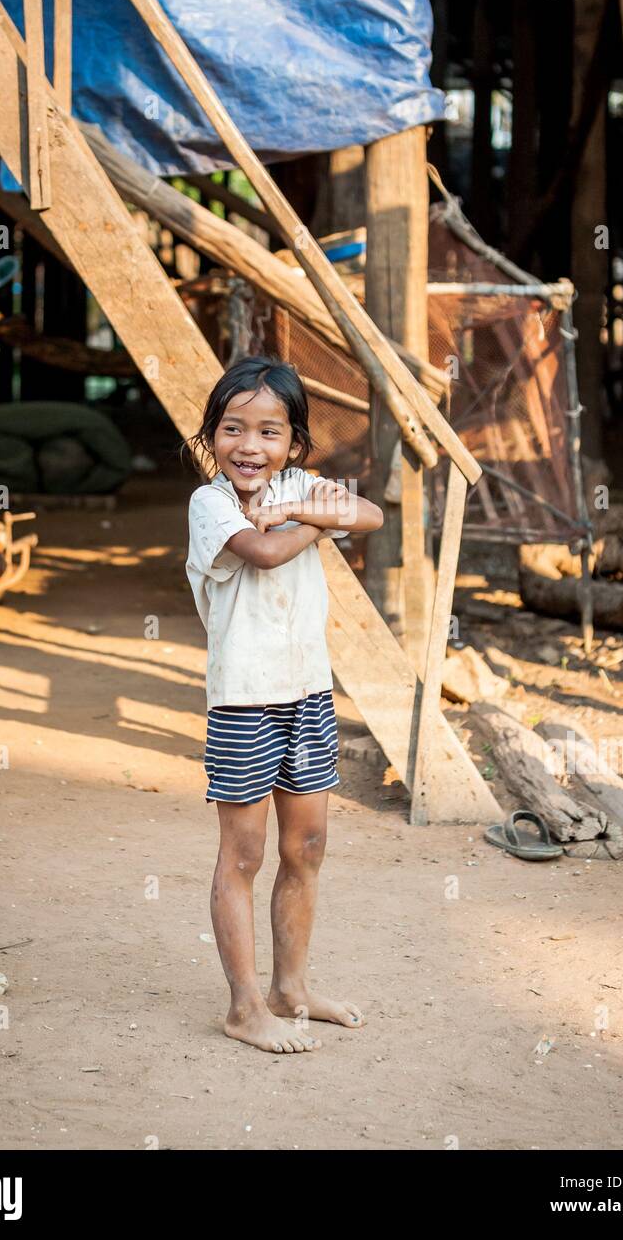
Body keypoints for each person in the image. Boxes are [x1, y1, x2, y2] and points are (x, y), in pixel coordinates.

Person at [184, 355, 383, 1053]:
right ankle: (243, 1008)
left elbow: (371, 512)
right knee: (243, 856)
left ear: (295, 444)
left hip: (308, 694)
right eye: (233, 428)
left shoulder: (297, 486)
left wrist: (302, 505)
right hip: (244, 702)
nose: (250, 446)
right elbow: (263, 554)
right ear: (212, 435)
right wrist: (317, 525)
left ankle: (289, 988)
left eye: (269, 432)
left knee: (307, 847)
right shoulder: (209, 504)